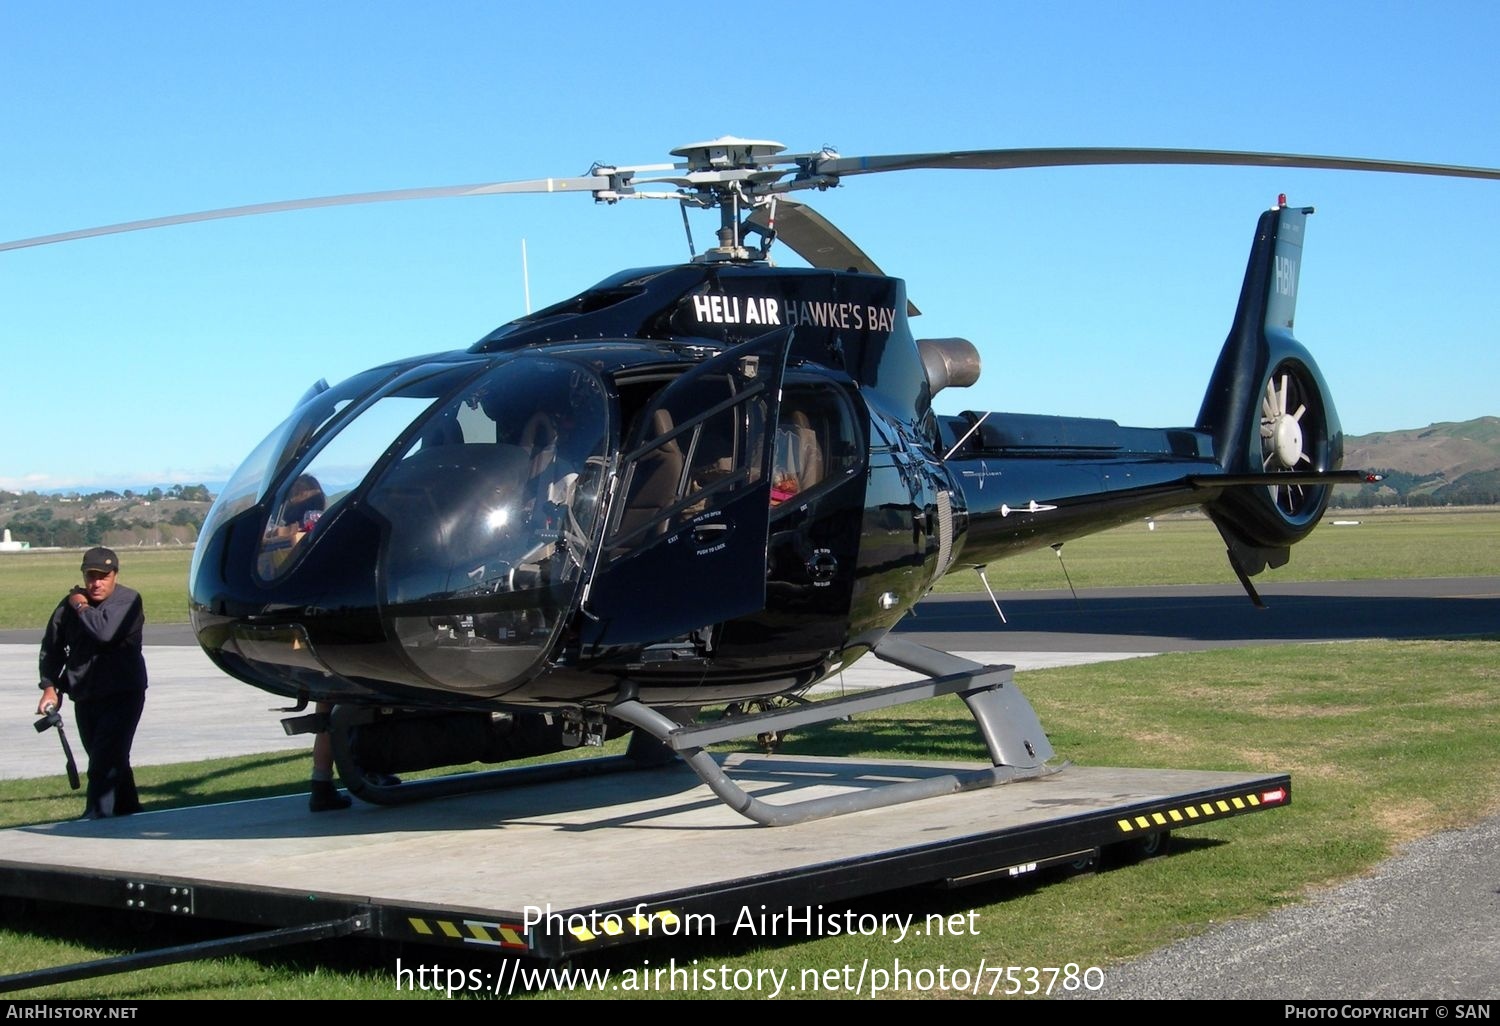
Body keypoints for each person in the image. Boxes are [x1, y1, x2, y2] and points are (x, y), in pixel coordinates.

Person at [36, 546, 147, 819]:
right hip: (85, 695)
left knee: (104, 760)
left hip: (122, 694)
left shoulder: (128, 600)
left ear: (115, 575)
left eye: (103, 576)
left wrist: (80, 605)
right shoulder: (68, 605)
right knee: (110, 757)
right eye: (91, 576)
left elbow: (104, 632)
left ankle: (96, 819)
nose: (96, 583)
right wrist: (50, 687)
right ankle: (128, 812)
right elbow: (52, 647)